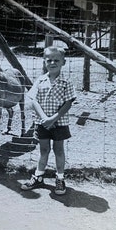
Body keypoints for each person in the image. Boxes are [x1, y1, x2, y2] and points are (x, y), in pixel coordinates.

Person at [21, 46, 76, 195]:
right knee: (44, 149)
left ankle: (60, 178)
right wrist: (45, 118)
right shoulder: (40, 80)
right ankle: (38, 176)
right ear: (44, 62)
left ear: (63, 62)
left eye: (56, 60)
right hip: (42, 123)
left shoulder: (66, 82)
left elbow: (68, 103)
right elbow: (33, 100)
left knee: (58, 149)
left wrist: (53, 118)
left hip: (59, 122)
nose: (52, 63)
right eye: (49, 60)